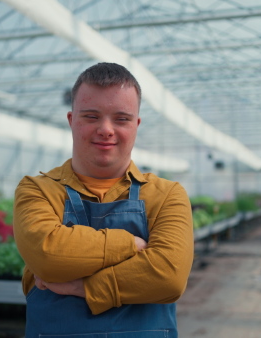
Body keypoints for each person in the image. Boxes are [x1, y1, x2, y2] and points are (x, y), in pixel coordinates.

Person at [13, 63, 194, 337]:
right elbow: (48, 255)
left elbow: (169, 277)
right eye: (91, 116)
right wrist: (130, 244)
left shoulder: (167, 194)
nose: (106, 129)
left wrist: (81, 287)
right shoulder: (38, 190)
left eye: (121, 118)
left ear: (136, 124)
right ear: (72, 120)